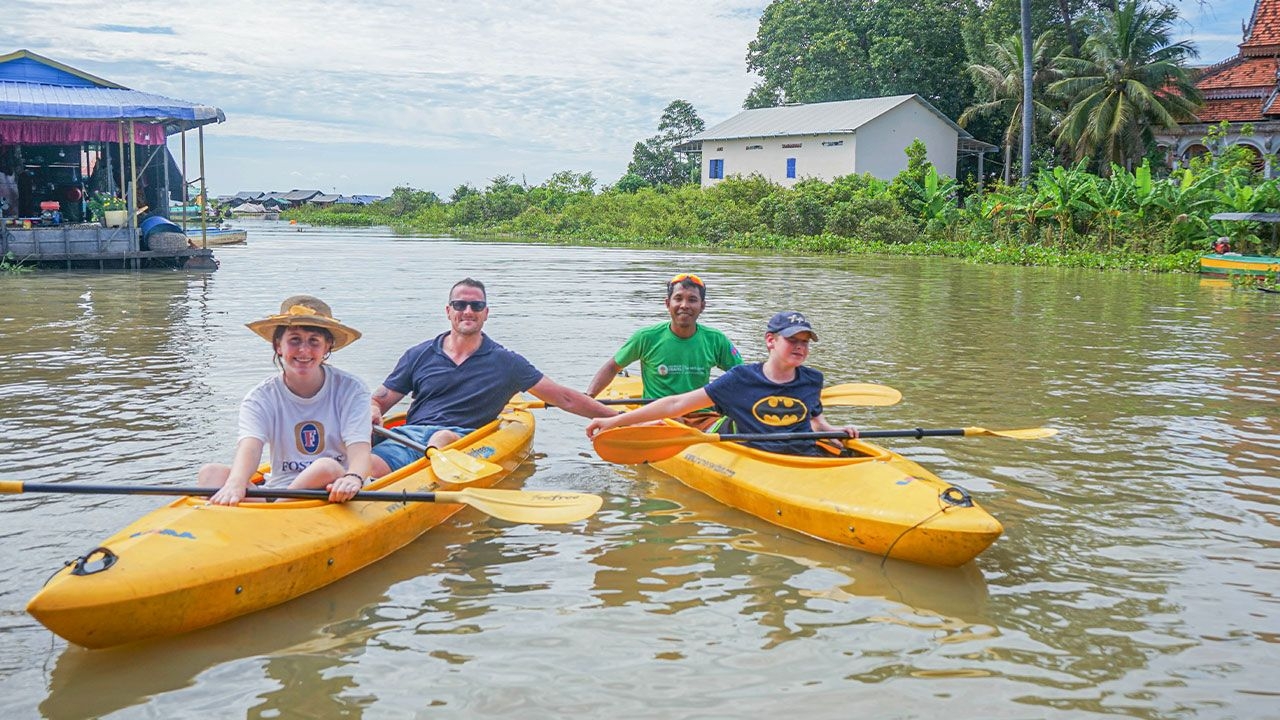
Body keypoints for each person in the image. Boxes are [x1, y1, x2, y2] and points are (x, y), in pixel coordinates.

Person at [369, 278, 618, 475]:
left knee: (442, 437)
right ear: (448, 311)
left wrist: (619, 419)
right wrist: (372, 409)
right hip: (408, 437)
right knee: (370, 467)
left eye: (476, 306)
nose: (468, 311)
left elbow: (565, 398)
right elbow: (379, 401)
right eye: (460, 305)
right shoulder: (418, 355)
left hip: (464, 439)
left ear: (486, 313)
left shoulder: (507, 363)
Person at [586, 311, 858, 456]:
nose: (799, 347)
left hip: (803, 454)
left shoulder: (813, 379)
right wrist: (615, 421)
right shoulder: (741, 380)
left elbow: (816, 423)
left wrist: (837, 430)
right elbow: (677, 403)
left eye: (805, 342)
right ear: (771, 341)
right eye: (792, 340)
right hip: (759, 456)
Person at [199, 295, 373, 505]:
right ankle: (270, 510)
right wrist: (236, 482)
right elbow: (250, 447)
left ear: (327, 347)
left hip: (335, 487)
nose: (304, 350)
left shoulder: (352, 390)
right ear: (278, 346)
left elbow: (360, 449)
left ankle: (277, 509)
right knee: (211, 473)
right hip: (280, 487)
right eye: (295, 340)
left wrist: (353, 477)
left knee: (324, 466)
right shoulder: (260, 397)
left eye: (314, 341)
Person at [586, 272, 742, 401]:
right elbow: (613, 367)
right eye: (678, 298)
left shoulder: (716, 340)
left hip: (700, 416)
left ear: (702, 306)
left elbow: (742, 374)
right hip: (657, 417)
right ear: (668, 304)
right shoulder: (646, 337)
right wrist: (589, 397)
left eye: (692, 300)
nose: (684, 305)